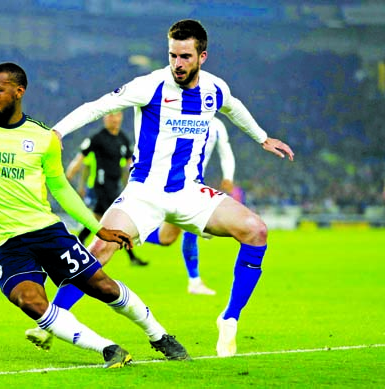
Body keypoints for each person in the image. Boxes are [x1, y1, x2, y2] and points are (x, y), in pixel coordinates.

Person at [30, 20, 294, 358]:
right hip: (144, 192)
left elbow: (234, 107)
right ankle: (52, 320)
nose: (177, 64)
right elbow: (98, 106)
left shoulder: (215, 89)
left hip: (189, 192)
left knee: (256, 230)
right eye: (172, 55)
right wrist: (57, 132)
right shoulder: (151, 85)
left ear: (203, 56)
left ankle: (229, 318)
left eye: (185, 56)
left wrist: (262, 138)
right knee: (99, 250)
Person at [0, 62, 190, 368]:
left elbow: (61, 188)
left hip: (46, 231)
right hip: (3, 244)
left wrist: (98, 228)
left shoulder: (43, 138)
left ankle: (159, 335)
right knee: (30, 302)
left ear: (18, 92)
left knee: (102, 286)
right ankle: (109, 349)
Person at [146, 116, 235, 295]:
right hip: (171, 182)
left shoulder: (216, 126)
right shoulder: (180, 116)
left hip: (193, 184)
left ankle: (124, 233)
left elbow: (226, 151)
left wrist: (228, 176)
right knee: (194, 228)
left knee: (166, 238)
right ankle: (194, 281)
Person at [65, 111, 148, 267]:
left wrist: (132, 184)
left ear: (121, 117)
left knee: (98, 221)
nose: (114, 119)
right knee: (115, 222)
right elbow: (81, 158)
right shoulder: (97, 138)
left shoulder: (123, 139)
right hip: (100, 187)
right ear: (105, 118)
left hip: (115, 186)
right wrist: (67, 176)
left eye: (117, 116)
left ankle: (77, 245)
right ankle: (132, 257)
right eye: (111, 116)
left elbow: (130, 164)